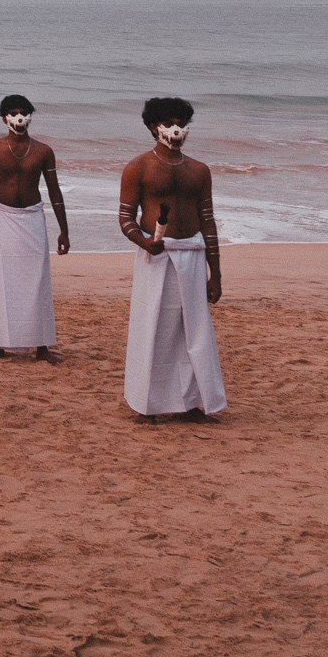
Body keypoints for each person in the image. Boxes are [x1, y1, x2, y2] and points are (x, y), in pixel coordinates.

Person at [119, 97, 225, 423]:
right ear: (154, 127)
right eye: (168, 124)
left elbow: (207, 221)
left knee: (193, 331)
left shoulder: (199, 171)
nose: (175, 130)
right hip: (157, 256)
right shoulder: (139, 168)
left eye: (181, 123)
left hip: (192, 254)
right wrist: (144, 242)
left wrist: (216, 273)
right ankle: (146, 405)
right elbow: (126, 217)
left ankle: (190, 404)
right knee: (153, 328)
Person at [0, 94, 70, 363]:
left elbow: (54, 191)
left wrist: (64, 230)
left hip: (32, 217)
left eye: (24, 112)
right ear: (4, 118)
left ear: (30, 117)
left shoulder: (43, 151)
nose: (19, 117)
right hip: (3, 217)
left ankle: (42, 347)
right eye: (13, 113)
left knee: (37, 281)